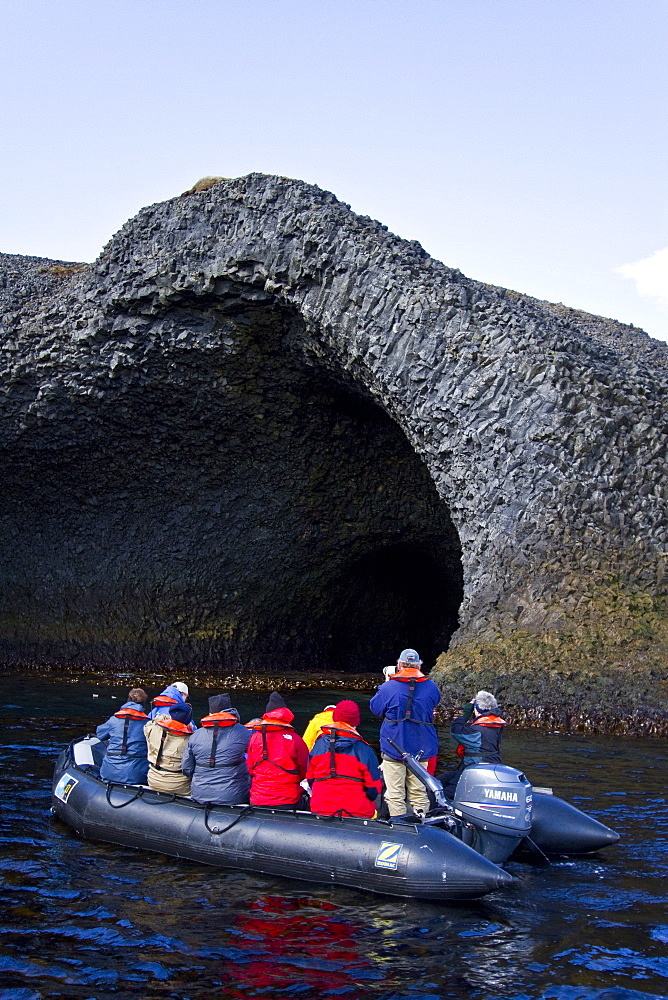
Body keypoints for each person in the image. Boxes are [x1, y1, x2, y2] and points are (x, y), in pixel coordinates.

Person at [369, 648, 441, 817]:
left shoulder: (389, 687)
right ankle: (422, 825)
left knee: (395, 793)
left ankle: (399, 825)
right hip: (421, 746)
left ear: (399, 664)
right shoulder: (431, 686)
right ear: (419, 665)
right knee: (418, 792)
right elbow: (434, 701)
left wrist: (387, 682)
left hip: (393, 746)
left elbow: (376, 708)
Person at [306, 700, 382, 818]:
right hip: (357, 811)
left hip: (321, 808)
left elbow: (310, 779)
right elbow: (374, 789)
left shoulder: (319, 745)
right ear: (355, 723)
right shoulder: (364, 749)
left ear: (335, 719)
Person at [181, 694, 251, 805]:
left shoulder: (196, 735)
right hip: (234, 796)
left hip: (199, 794)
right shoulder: (243, 732)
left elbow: (186, 768)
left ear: (210, 714)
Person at [438, 690, 507, 798]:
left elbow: (456, 731)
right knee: (441, 780)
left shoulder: (476, 731)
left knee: (443, 793)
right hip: (491, 766)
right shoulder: (496, 725)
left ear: (477, 709)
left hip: (475, 771)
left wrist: (465, 714)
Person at [246, 692, 309, 808]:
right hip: (288, 799)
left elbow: (250, 768)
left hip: (259, 799)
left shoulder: (255, 737)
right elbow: (305, 769)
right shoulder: (295, 739)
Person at [96, 688, 150, 784]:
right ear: (143, 703)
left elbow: (100, 734)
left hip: (109, 771)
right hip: (136, 774)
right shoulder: (147, 723)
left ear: (128, 699)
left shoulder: (114, 719)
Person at [144, 703, 195, 795]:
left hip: (154, 781)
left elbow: (149, 723)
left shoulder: (152, 729)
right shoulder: (191, 740)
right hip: (180, 786)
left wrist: (166, 718)